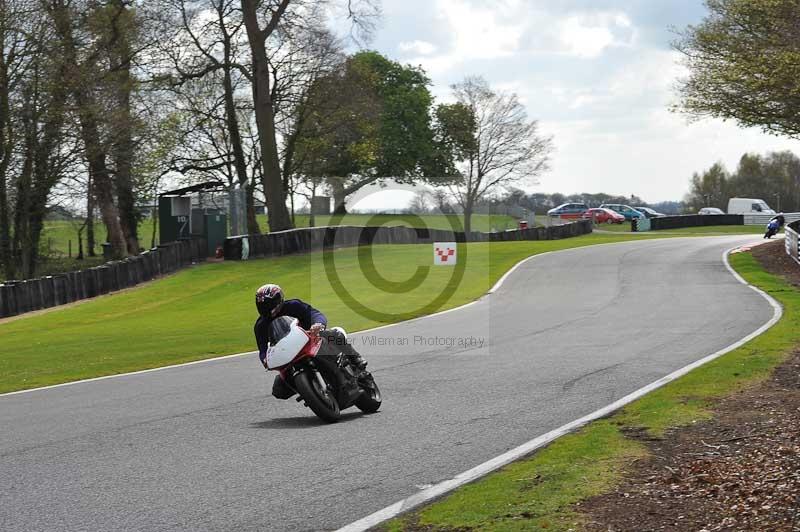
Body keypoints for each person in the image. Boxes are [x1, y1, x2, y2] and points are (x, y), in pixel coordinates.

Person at [253, 283, 367, 399]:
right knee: (278, 390)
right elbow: (262, 349)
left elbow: (314, 313)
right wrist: (265, 359)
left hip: (311, 338)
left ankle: (355, 357)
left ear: (278, 300)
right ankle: (309, 391)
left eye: (269, 305)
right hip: (289, 353)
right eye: (262, 306)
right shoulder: (260, 326)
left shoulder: (293, 305)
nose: (266, 309)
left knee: (334, 334)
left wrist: (318, 324)